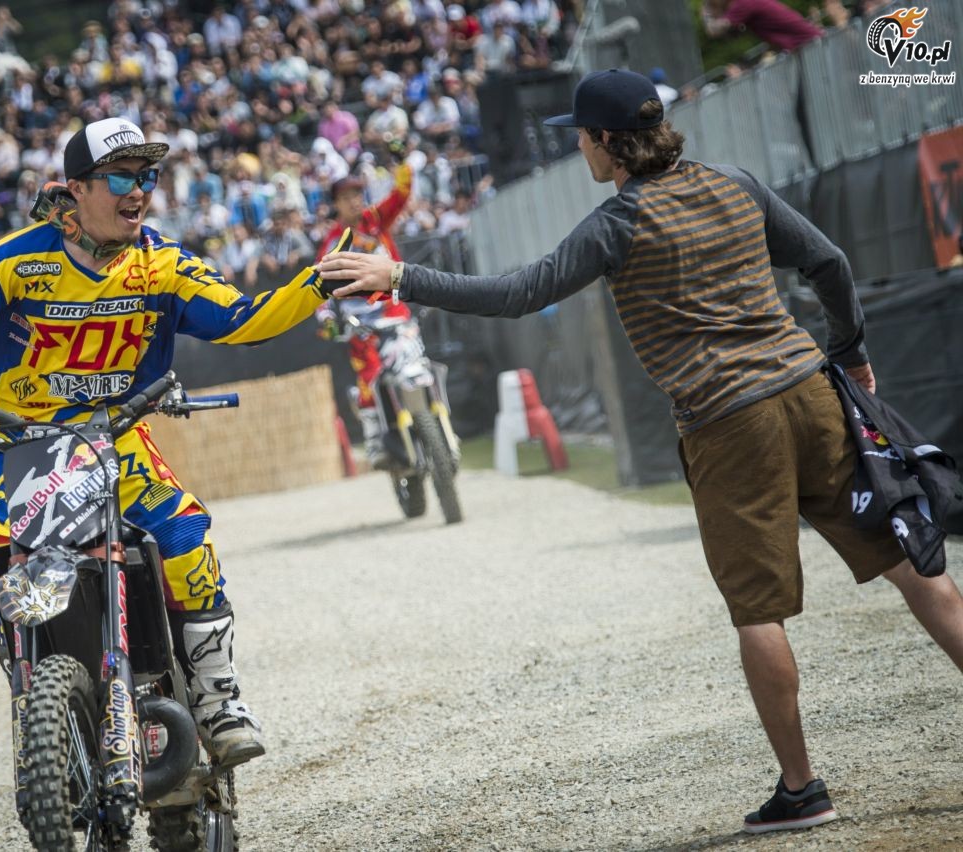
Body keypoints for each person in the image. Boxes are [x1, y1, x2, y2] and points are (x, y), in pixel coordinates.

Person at [319, 68, 963, 833]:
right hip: (813, 394)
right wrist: (850, 353)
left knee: (758, 610)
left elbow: (521, 292)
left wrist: (401, 276)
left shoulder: (616, 222)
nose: (582, 150)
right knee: (914, 565)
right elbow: (829, 264)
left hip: (730, 424)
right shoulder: (737, 182)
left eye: (582, 137)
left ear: (605, 143)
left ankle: (802, 789)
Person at [0, 117, 343, 768]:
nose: (140, 191)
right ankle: (43, 706)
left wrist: (319, 282)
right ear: (77, 188)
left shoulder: (164, 264)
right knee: (14, 579)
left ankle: (218, 700)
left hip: (115, 442)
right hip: (20, 450)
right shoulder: (13, 262)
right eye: (123, 176)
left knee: (185, 532)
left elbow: (241, 319)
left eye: (149, 175)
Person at [314, 164, 421, 467]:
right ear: (335, 204)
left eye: (357, 193)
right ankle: (376, 443)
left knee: (414, 365)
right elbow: (319, 289)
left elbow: (401, 194)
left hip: (394, 311)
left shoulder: (375, 220)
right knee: (370, 380)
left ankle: (431, 424)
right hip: (361, 327)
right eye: (346, 196)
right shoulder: (332, 244)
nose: (353, 200)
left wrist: (401, 163)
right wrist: (327, 319)